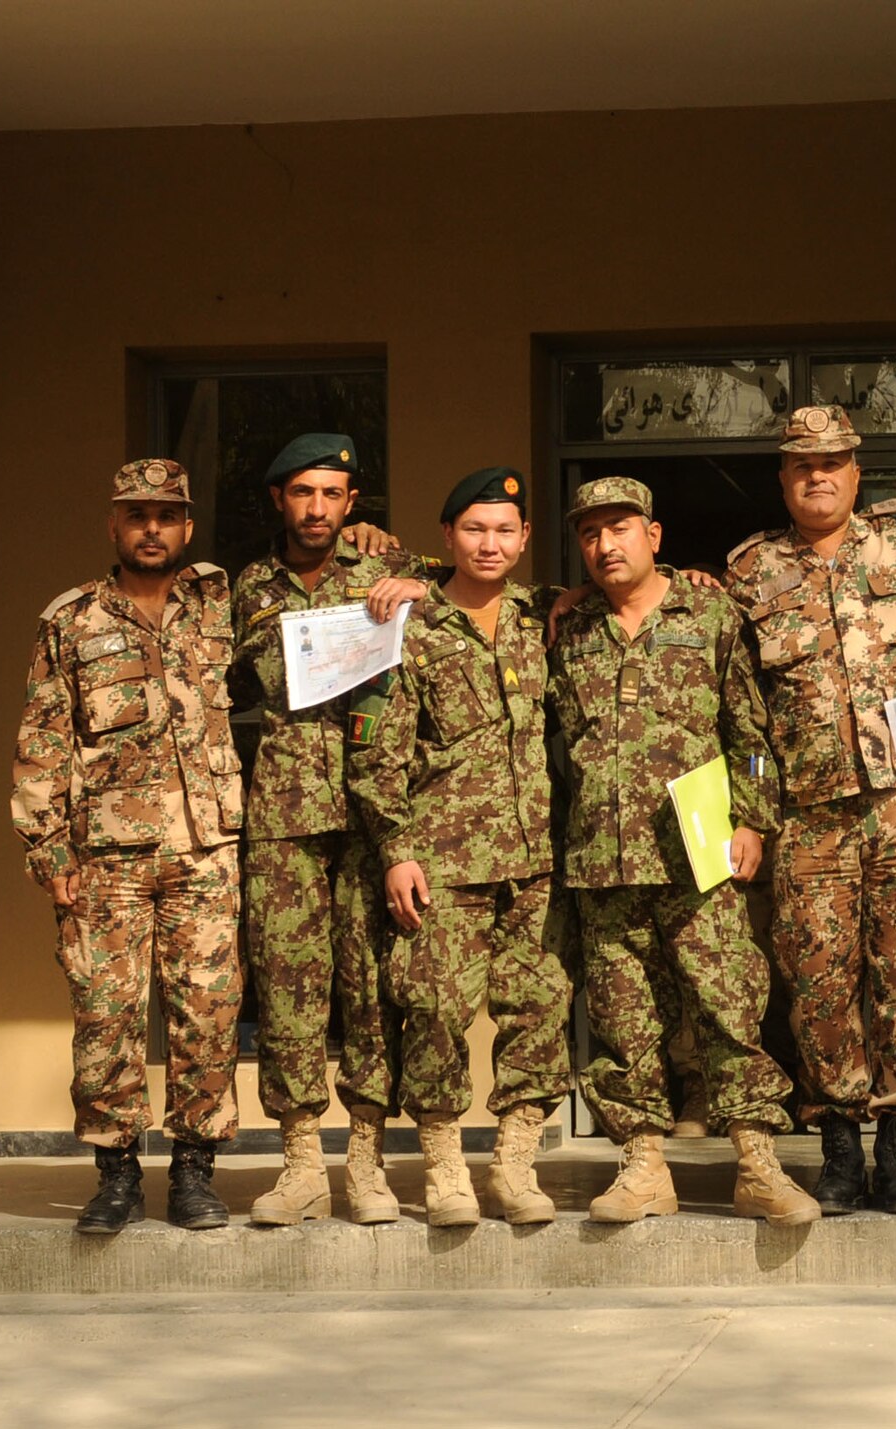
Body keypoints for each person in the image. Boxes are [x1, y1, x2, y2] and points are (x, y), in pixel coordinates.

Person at [550, 476, 818, 1227]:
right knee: (622, 1020)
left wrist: (754, 820)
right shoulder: (568, 628)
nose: (605, 545)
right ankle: (643, 1167)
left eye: (620, 528)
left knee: (730, 1005)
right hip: (604, 862)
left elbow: (750, 732)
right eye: (590, 533)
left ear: (654, 535)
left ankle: (757, 1165)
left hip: (698, 855)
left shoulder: (710, 613)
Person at [12, 459, 244, 1233]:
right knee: (105, 1015)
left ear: (188, 526)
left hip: (206, 848)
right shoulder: (72, 620)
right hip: (105, 857)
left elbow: (318, 600)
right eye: (137, 515)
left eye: (167, 515)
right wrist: (48, 849)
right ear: (113, 524)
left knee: (208, 1011)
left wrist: (382, 549)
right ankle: (116, 1176)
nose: (152, 528)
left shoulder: (220, 606)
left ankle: (194, 1172)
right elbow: (42, 738)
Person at [722, 405, 896, 1216]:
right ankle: (841, 1149)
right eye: (802, 464)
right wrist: (754, 805)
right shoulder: (748, 571)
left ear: (856, 471)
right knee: (818, 980)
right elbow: (742, 717)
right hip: (804, 814)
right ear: (783, 478)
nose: (818, 475)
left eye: (833, 462)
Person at [346, 467, 571, 1227]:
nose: (489, 543)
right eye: (474, 529)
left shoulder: (544, 616)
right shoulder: (408, 625)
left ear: (525, 538)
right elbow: (376, 754)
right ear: (447, 536)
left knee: (539, 1007)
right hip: (442, 862)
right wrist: (397, 849)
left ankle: (514, 1164)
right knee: (435, 1012)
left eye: (505, 530)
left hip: (534, 860)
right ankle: (445, 1167)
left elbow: (629, 583)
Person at [230, 432, 429, 1226]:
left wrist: (416, 580)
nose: (317, 508)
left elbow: (474, 585)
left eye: (332, 495)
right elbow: (252, 676)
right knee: (287, 987)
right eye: (303, 492)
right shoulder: (250, 585)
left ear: (352, 504)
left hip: (374, 813)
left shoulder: (388, 565)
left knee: (372, 987)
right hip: (285, 815)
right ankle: (302, 1164)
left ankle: (367, 1164)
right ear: (280, 500)